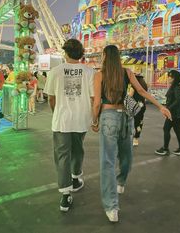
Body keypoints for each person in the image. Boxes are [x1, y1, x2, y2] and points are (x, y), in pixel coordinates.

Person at [92, 45, 171, 223]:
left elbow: (97, 103)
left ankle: (112, 207)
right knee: (126, 156)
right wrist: (161, 106)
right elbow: (142, 92)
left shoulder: (99, 75)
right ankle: (121, 182)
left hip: (108, 117)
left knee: (107, 162)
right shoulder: (127, 72)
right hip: (126, 118)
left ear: (104, 56)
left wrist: (94, 121)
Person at [44, 39, 94, 212]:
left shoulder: (55, 72)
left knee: (62, 154)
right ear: (81, 54)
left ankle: (65, 195)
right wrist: (94, 118)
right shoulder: (89, 72)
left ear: (65, 53)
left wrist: (56, 111)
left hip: (61, 120)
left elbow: (51, 98)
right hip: (81, 119)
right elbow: (94, 98)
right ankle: (75, 177)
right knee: (78, 149)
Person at [155, 70, 180, 157]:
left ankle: (165, 149)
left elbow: (178, 100)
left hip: (174, 113)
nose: (168, 78)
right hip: (175, 112)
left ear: (174, 78)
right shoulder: (175, 87)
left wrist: (167, 109)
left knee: (166, 129)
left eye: (170, 77)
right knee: (177, 130)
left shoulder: (176, 88)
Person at [129, 73, 148, 146]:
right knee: (139, 122)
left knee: (129, 121)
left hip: (134, 105)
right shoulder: (144, 84)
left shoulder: (134, 85)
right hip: (142, 105)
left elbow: (130, 95)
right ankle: (136, 138)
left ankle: (129, 137)